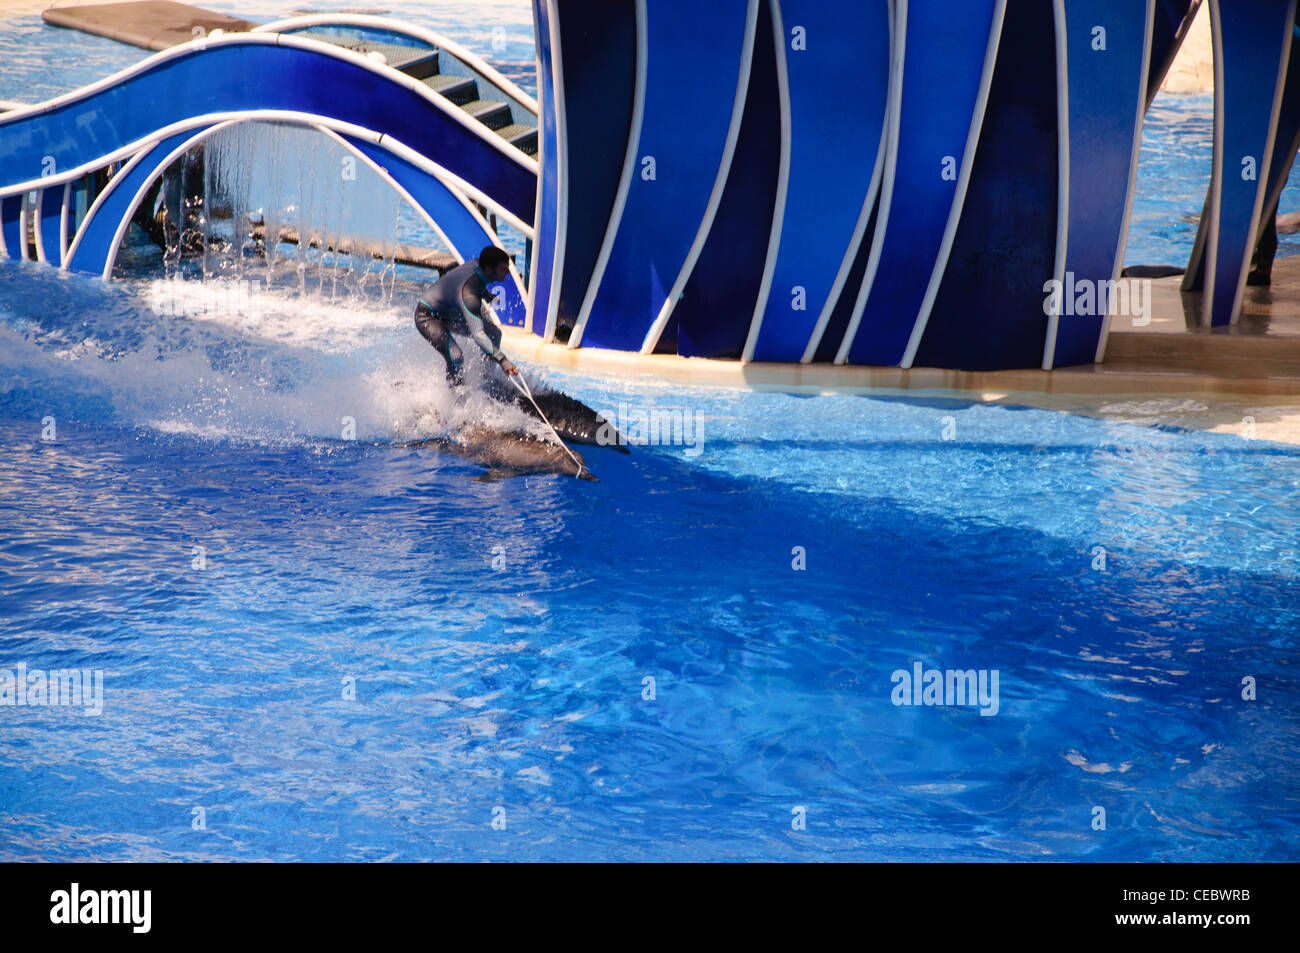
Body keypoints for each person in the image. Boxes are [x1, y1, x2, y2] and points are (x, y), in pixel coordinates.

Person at [414, 245, 519, 385]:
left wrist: (487, 295)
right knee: (456, 356)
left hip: (450, 314)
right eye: (503, 270)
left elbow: (469, 281)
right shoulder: (469, 295)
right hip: (427, 317)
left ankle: (487, 382)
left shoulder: (479, 265)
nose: (508, 273)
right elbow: (479, 335)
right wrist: (502, 360)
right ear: (488, 269)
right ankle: (455, 399)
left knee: (494, 333)